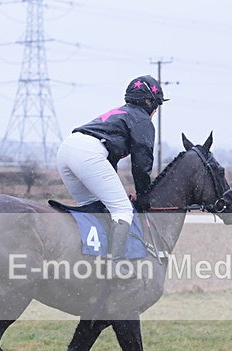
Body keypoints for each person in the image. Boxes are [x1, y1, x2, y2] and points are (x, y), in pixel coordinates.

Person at [56, 75, 168, 264]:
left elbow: (109, 162)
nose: (155, 112)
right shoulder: (142, 120)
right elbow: (142, 164)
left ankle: (89, 258)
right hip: (88, 153)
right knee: (123, 210)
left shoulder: (120, 113)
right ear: (149, 102)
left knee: (96, 210)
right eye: (156, 106)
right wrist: (143, 195)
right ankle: (115, 263)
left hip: (66, 150)